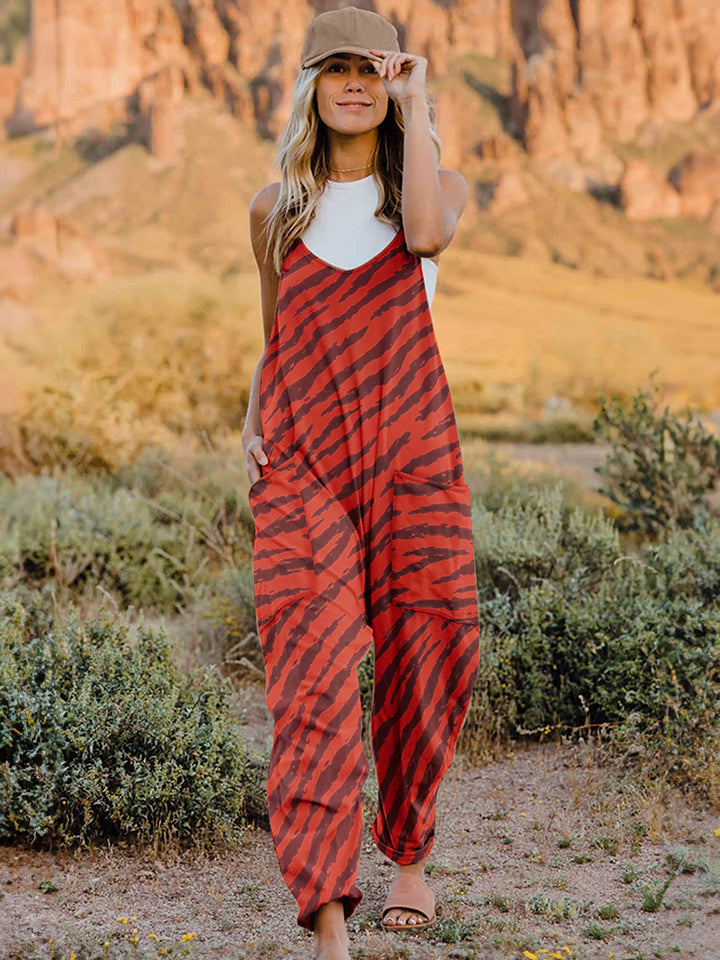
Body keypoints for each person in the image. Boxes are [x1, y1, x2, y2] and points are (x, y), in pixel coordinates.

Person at [241, 7, 481, 959]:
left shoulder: (434, 186)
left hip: (410, 449)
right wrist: (250, 419)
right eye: (333, 68)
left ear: (392, 81)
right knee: (312, 677)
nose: (353, 84)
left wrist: (418, 104)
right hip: (305, 462)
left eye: (369, 69)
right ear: (309, 86)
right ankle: (328, 914)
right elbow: (276, 336)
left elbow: (424, 238)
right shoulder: (275, 208)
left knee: (432, 642)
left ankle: (409, 854)